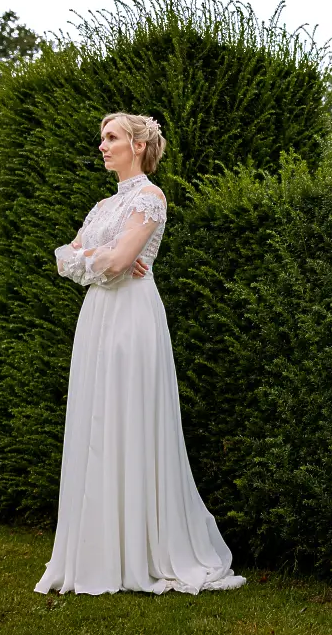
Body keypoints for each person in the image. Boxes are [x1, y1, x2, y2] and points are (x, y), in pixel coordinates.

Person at [34, 112, 245, 596]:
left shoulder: (150, 198)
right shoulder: (102, 206)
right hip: (98, 317)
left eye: (111, 138)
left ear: (136, 144)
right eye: (102, 139)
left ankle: (144, 548)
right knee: (96, 419)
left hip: (132, 317)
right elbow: (67, 258)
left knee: (129, 416)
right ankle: (101, 547)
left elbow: (117, 260)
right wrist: (94, 262)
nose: (103, 146)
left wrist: (93, 261)